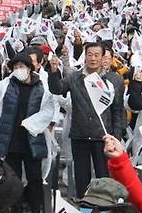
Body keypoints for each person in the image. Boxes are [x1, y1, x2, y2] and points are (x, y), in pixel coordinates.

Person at [0, 53, 55, 213]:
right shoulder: (8, 84)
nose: (18, 70)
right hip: (10, 139)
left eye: (21, 67)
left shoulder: (41, 87)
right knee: (13, 179)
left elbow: (49, 110)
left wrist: (31, 123)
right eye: (15, 67)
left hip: (32, 140)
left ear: (29, 68)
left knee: (34, 178)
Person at [48, 42, 126, 198]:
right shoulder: (75, 77)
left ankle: (105, 208)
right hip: (80, 135)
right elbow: (57, 88)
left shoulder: (114, 80)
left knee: (104, 176)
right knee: (81, 177)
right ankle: (84, 208)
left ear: (104, 57)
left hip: (103, 137)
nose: (93, 58)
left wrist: (116, 136)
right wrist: (54, 71)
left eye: (97, 55)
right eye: (89, 54)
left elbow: (118, 110)